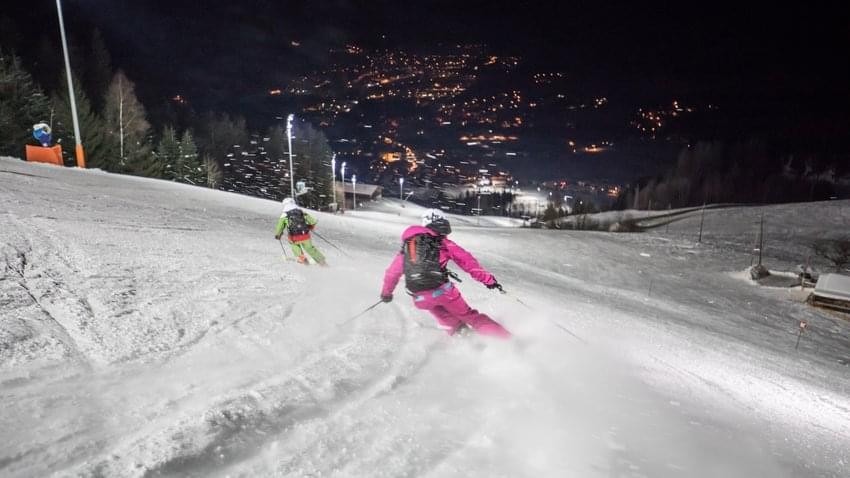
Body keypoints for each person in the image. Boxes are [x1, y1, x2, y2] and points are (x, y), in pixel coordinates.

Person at [380, 209, 510, 338]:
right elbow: (468, 262)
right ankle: (507, 340)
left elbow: (392, 273)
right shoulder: (442, 242)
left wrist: (386, 293)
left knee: (449, 321)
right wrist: (489, 280)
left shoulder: (409, 247)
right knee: (470, 316)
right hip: (443, 292)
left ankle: (473, 344)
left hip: (420, 297)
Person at [274, 197, 327, 266]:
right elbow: (313, 221)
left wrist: (278, 234)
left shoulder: (284, 215)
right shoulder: (301, 212)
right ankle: (321, 261)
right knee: (310, 248)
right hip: (305, 235)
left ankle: (302, 258)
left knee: (294, 246)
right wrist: (310, 227)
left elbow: (279, 226)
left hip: (293, 237)